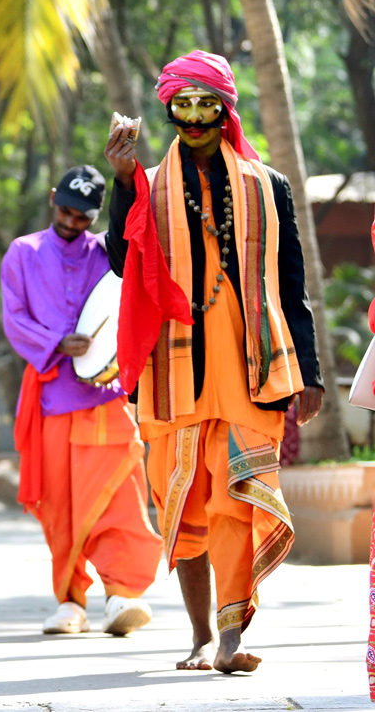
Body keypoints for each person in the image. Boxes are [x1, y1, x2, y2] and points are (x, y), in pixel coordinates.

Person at [103, 50, 322, 674]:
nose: (195, 116)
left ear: (226, 109)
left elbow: (291, 285)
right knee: (187, 504)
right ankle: (200, 635)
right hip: (171, 377)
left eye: (207, 104)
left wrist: (305, 372)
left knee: (236, 501)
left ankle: (230, 638)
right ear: (168, 109)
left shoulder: (267, 185)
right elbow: (124, 266)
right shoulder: (145, 182)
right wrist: (123, 182)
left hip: (251, 371)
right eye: (183, 104)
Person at [1, 165, 163, 637]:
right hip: (52, 397)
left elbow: (127, 305)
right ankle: (71, 601)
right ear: (54, 198)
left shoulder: (107, 255)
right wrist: (56, 342)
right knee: (61, 505)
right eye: (66, 211)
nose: (73, 222)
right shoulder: (23, 253)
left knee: (121, 496)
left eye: (84, 216)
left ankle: (122, 594)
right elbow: (14, 319)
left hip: (106, 396)